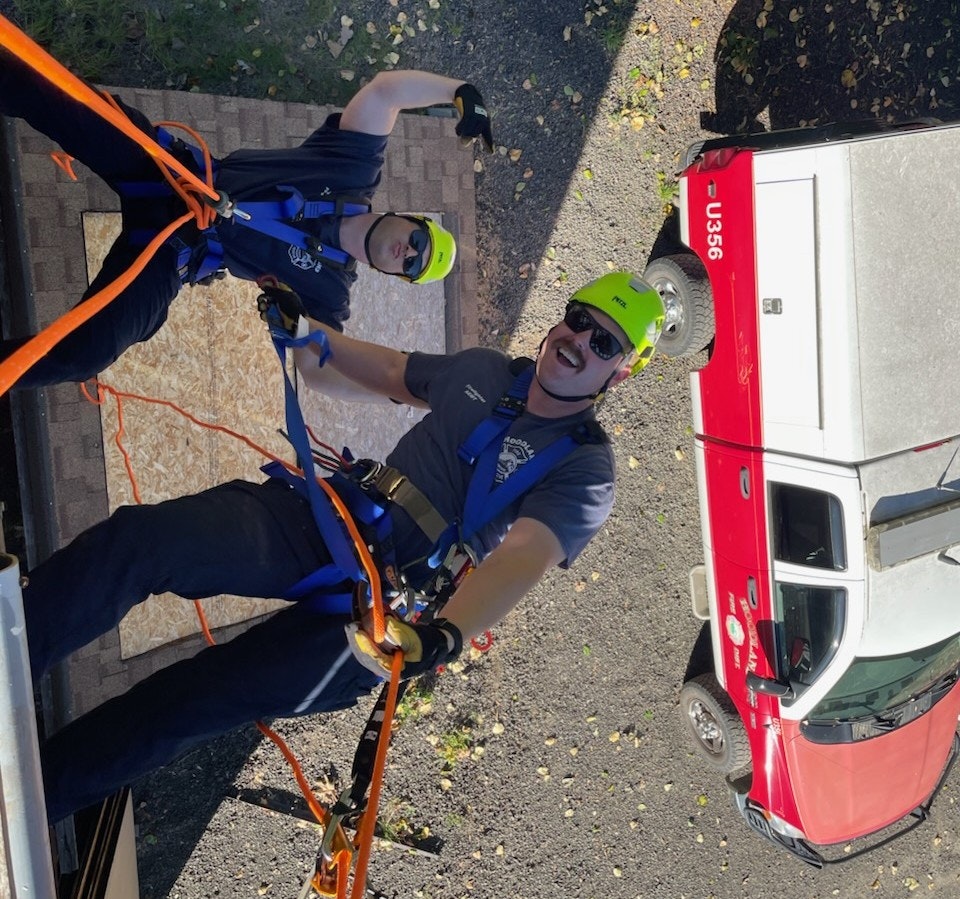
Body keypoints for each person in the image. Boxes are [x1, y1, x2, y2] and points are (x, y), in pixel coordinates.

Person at [23, 271, 664, 823]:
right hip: (335, 519)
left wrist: (445, 636)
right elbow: (385, 371)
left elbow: (524, 554)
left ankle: (25, 802)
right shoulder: (486, 371)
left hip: (387, 616)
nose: (577, 341)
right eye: (578, 321)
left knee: (189, 704)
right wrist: (307, 334)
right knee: (142, 542)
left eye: (602, 341)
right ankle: (6, 659)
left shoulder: (584, 470)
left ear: (622, 369)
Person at [0, 45, 493, 388]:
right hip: (171, 173)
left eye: (412, 267)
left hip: (173, 251)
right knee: (64, 100)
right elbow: (385, 93)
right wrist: (459, 89)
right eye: (418, 243)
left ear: (393, 276)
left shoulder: (327, 293)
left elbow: (322, 374)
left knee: (90, 350)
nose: (408, 253)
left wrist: (388, 381)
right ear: (409, 218)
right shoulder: (351, 168)